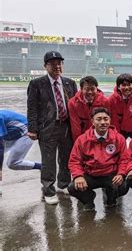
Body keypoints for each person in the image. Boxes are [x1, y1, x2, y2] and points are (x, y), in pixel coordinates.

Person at [27, 51, 78, 205]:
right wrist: (32, 128)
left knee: (66, 158)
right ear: (45, 66)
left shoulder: (70, 83)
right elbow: (32, 108)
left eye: (59, 63)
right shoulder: (37, 84)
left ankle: (63, 185)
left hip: (66, 127)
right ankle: (49, 190)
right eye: (52, 63)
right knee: (48, 161)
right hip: (47, 128)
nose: (57, 66)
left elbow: (76, 106)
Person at [67, 107, 129, 210]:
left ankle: (111, 199)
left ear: (110, 120)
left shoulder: (119, 139)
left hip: (110, 174)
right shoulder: (82, 140)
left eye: (106, 119)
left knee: (123, 186)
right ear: (92, 121)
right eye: (98, 119)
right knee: (73, 188)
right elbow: (74, 161)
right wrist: (78, 176)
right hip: (91, 175)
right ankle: (89, 199)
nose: (103, 122)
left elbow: (124, 159)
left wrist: (121, 174)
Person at [0, 110, 42, 195]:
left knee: (12, 163)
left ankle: (42, 167)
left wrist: (0, 169)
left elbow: (0, 147)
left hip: (25, 132)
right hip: (10, 133)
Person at [68, 76, 109, 141]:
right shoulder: (72, 103)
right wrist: (79, 142)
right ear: (81, 89)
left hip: (100, 136)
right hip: (82, 136)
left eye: (92, 89)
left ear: (97, 89)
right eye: (87, 89)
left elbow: (108, 123)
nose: (90, 92)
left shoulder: (105, 102)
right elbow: (75, 126)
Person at [108, 73, 132, 139]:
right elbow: (113, 119)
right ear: (118, 87)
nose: (127, 88)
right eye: (123, 85)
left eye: (129, 85)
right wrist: (116, 134)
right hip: (119, 131)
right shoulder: (112, 100)